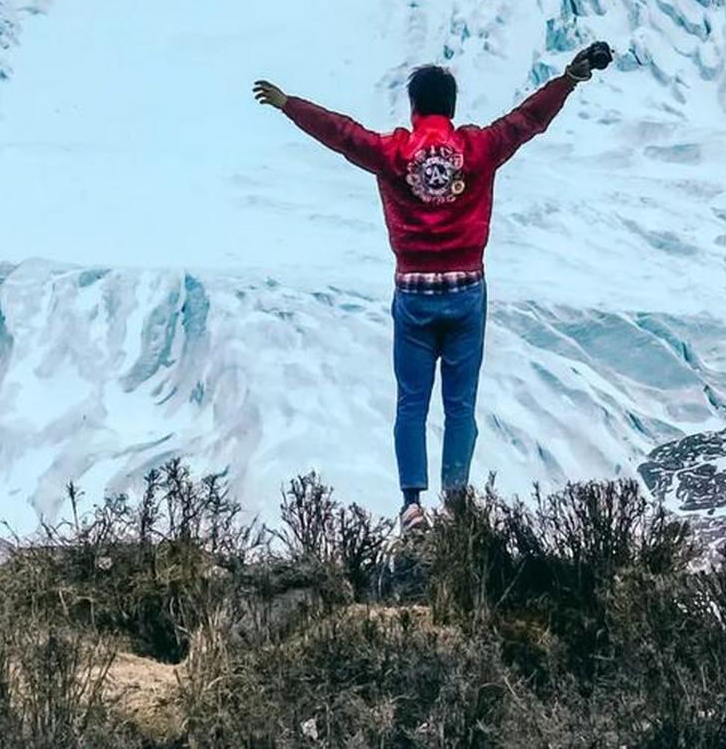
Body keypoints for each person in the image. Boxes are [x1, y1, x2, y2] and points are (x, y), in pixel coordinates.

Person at [253, 42, 613, 534]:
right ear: (452, 106)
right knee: (460, 405)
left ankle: (411, 506)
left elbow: (342, 134)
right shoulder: (477, 149)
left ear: (414, 107)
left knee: (412, 403)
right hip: (467, 291)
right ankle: (457, 504)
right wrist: (567, 80)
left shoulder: (392, 152)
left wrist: (289, 104)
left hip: (414, 293)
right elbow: (527, 121)